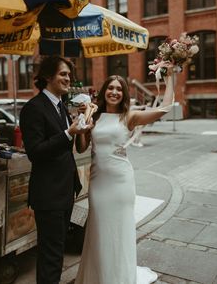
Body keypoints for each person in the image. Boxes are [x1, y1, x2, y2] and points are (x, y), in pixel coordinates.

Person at [75, 63, 174, 284]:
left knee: (119, 231)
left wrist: (169, 78)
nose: (114, 92)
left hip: (121, 183)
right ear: (104, 92)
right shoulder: (94, 114)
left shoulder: (129, 116)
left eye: (119, 89)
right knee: (99, 230)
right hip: (98, 182)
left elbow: (165, 109)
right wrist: (81, 124)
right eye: (110, 88)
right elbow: (81, 147)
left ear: (124, 94)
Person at [20, 55, 92, 284]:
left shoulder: (60, 106)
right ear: (47, 76)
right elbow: (35, 151)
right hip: (48, 195)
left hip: (64, 191)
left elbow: (71, 147)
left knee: (56, 252)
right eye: (63, 74)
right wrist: (68, 133)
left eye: (69, 74)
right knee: (50, 255)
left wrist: (82, 122)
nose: (68, 78)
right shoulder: (33, 108)